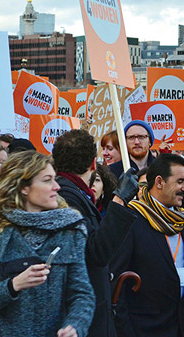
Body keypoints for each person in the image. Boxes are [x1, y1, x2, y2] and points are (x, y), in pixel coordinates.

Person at [0, 151, 95, 337]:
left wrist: (75, 327)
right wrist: (12, 285)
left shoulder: (70, 229)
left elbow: (82, 295)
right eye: (47, 180)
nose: (56, 187)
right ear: (24, 187)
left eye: (54, 179)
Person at [52, 129, 139, 337]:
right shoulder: (67, 197)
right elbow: (96, 252)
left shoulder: (73, 193)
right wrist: (119, 201)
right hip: (80, 315)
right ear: (93, 163)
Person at [110, 154, 184, 337]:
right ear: (159, 182)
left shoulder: (183, 220)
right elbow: (117, 284)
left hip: (182, 326)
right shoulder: (132, 220)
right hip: (145, 329)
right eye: (180, 181)